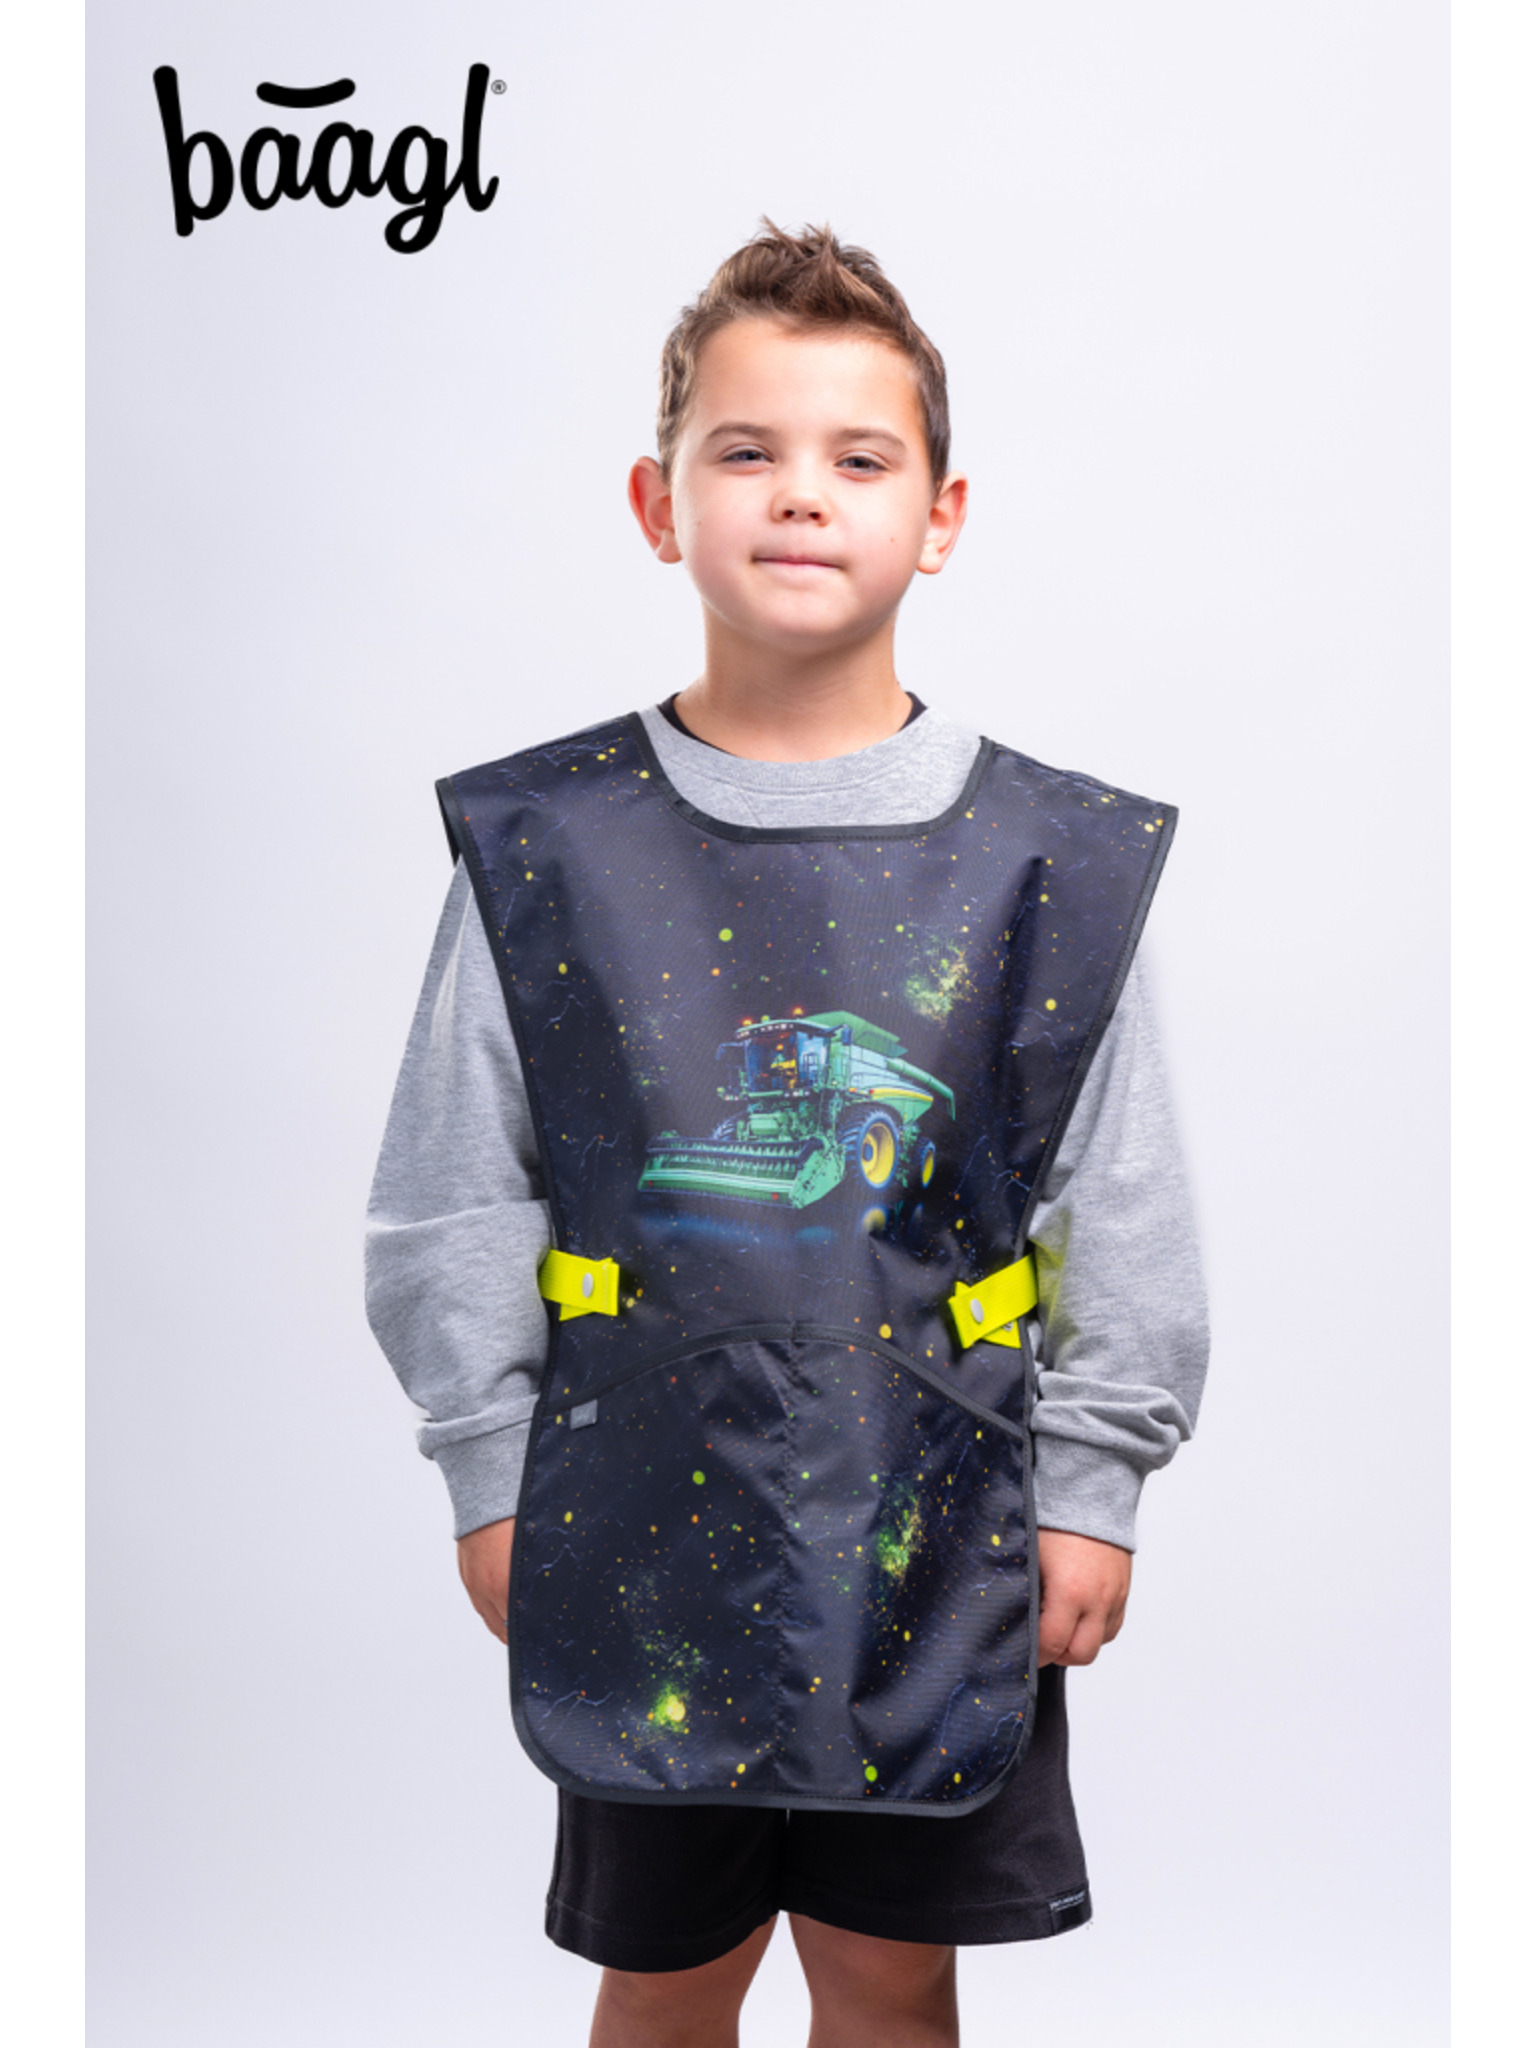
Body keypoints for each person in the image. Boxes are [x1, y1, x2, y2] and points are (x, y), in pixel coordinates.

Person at [366, 221, 1209, 2048]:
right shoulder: (548, 848)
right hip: (638, 1525)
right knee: (666, 1977)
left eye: (859, 457)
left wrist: (1096, 1485)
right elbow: (452, 1194)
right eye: (745, 450)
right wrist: (488, 1469)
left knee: (893, 1980)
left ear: (942, 514)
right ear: (658, 505)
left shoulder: (1051, 864)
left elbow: (1116, 1197)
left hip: (949, 1530)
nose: (802, 494)